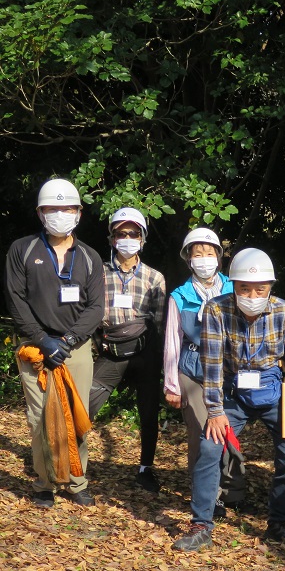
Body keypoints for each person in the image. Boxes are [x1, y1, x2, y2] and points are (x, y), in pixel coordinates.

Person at [172, 248, 285, 551]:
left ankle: (279, 523)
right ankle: (201, 524)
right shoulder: (217, 311)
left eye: (260, 289)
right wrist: (215, 411)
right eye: (244, 288)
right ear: (233, 285)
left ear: (271, 287)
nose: (252, 294)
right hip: (233, 393)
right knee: (209, 449)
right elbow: (212, 363)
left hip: (274, 392)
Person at [4, 178, 104, 507]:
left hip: (76, 349)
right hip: (36, 349)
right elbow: (16, 300)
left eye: (68, 208)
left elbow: (96, 307)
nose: (60, 214)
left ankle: (76, 481)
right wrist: (42, 339)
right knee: (40, 418)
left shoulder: (89, 256)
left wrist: (70, 339)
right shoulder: (23, 249)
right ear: (40, 212)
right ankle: (45, 482)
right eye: (52, 208)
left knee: (76, 414)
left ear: (78, 212)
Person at [163, 228, 241, 516]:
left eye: (209, 253)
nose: (204, 259)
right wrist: (171, 384)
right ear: (188, 260)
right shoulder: (180, 296)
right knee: (201, 433)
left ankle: (229, 489)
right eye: (198, 254)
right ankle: (206, 496)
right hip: (193, 371)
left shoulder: (234, 289)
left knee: (229, 430)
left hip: (229, 372)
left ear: (219, 258)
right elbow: (172, 341)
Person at [88, 208, 166, 492]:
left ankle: (146, 469)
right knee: (84, 406)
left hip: (144, 352)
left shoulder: (154, 277)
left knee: (148, 414)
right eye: (121, 234)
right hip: (110, 352)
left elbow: (159, 322)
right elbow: (90, 312)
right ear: (111, 238)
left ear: (143, 240)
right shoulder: (98, 272)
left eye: (134, 234)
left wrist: (158, 362)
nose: (127, 239)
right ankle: (74, 463)